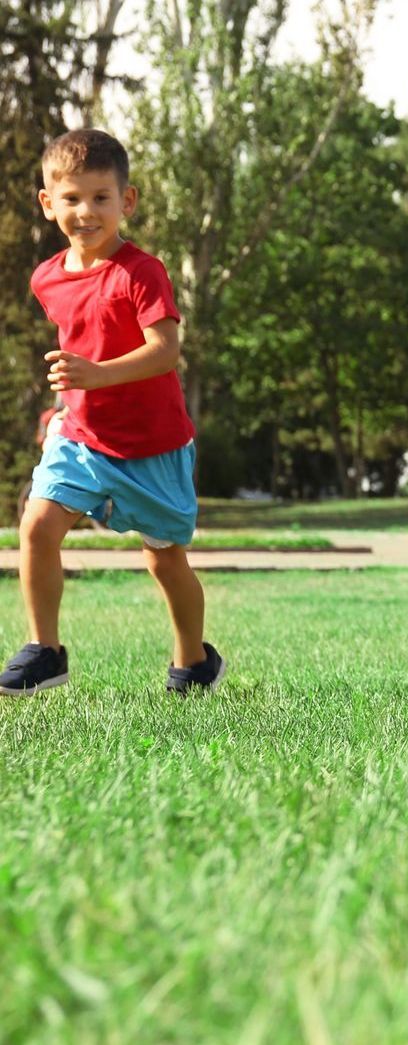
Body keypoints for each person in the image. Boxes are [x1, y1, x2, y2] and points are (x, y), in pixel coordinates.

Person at [3, 129, 224, 698]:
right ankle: (45, 651)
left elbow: (166, 349)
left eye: (101, 198)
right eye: (72, 198)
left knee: (165, 560)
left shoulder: (140, 272)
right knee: (37, 526)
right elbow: (75, 346)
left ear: (127, 202)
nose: (86, 212)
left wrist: (98, 374)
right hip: (80, 437)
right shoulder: (46, 278)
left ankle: (194, 660)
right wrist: (60, 407)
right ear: (48, 204)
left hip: (153, 446)